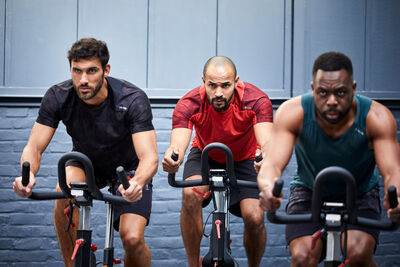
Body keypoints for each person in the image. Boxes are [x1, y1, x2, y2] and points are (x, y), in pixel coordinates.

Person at [12, 38, 158, 267]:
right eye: (76, 71)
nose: (83, 80)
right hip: (86, 163)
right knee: (63, 193)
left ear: (105, 70)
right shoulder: (58, 96)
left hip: (128, 170)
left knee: (132, 238)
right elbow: (34, 147)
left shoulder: (132, 99)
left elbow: (149, 157)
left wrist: (138, 181)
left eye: (91, 71)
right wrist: (26, 175)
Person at [258, 51, 400, 267]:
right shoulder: (293, 112)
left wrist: (397, 195)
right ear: (313, 90)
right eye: (323, 92)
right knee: (303, 257)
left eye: (341, 92)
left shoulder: (376, 117)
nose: (332, 101)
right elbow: (272, 164)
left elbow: (392, 171)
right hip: (308, 191)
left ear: (353, 89)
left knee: (358, 254)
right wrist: (268, 189)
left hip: (360, 194)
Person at [162, 56, 273, 267]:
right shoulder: (190, 103)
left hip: (245, 157)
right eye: (212, 85)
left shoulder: (256, 100)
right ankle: (193, 265)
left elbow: (267, 142)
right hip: (206, 153)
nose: (219, 93)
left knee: (255, 216)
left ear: (236, 81)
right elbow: (177, 145)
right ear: (203, 81)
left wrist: (266, 157)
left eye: (225, 85)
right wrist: (172, 158)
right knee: (189, 195)